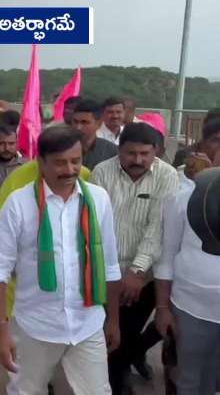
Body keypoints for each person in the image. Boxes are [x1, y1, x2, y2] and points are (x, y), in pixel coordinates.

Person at [0, 126, 122, 395]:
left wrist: (113, 320)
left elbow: (109, 264)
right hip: (35, 327)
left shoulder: (98, 200)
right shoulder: (18, 204)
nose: (70, 170)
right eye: (60, 163)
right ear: (41, 163)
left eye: (76, 161)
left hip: (88, 323)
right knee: (26, 390)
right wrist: (1, 331)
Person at [90, 122, 178, 394]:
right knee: (110, 333)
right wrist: (113, 275)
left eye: (145, 154)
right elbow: (95, 226)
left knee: (130, 332)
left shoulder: (167, 175)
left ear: (156, 152)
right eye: (131, 154)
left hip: (146, 274)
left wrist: (138, 271)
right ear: (119, 149)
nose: (137, 160)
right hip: (106, 271)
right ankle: (118, 381)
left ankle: (127, 362)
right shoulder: (102, 173)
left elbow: (158, 228)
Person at [155, 129, 220, 395]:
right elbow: (167, 255)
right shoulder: (183, 199)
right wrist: (162, 308)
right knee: (189, 379)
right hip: (191, 308)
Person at [71, 99, 118, 170]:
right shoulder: (61, 148)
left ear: (98, 124)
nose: (78, 127)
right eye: (75, 122)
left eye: (84, 122)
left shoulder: (112, 152)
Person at [0, 122, 25, 189]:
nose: (6, 148)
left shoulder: (26, 166)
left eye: (11, 143)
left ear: (17, 144)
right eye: (1, 144)